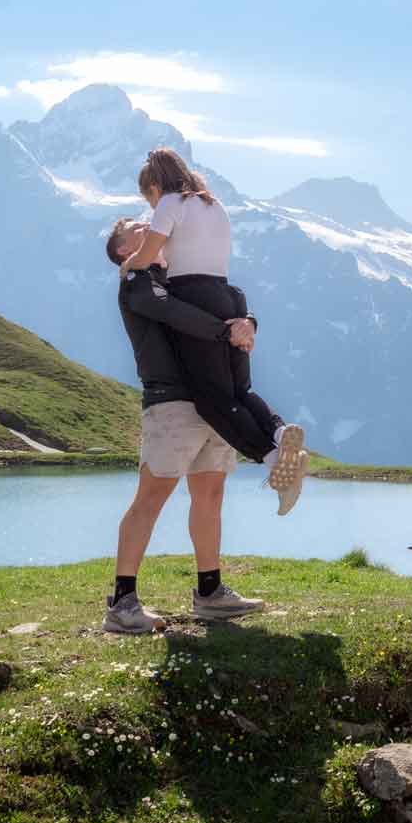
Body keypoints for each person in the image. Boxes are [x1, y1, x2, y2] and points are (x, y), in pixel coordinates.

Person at [103, 221, 271, 634]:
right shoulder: (136, 282)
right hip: (171, 401)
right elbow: (172, 313)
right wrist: (224, 329)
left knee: (210, 493)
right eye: (137, 227)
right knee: (152, 496)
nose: (153, 225)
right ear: (125, 252)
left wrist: (246, 318)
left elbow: (223, 302)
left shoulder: (177, 278)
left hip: (213, 401)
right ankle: (121, 603)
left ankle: (209, 593)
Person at [114, 148, 308, 504]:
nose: (150, 206)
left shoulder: (170, 204)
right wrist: (244, 320)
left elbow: (147, 255)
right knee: (241, 390)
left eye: (148, 197)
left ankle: (272, 459)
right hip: (227, 295)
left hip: (194, 296)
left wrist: (128, 267)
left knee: (211, 400)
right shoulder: (214, 205)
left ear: (155, 187)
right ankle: (281, 434)